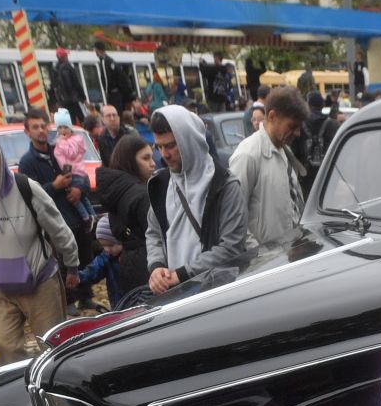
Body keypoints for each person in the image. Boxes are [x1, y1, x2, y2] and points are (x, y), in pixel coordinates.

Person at [0, 127, 81, 363]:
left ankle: (60, 392)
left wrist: (72, 264)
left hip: (39, 282)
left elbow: (58, 228)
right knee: (5, 345)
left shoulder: (26, 187)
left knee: (52, 346)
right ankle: (19, 394)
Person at [145, 106, 250, 297]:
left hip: (219, 296)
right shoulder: (161, 184)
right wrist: (157, 267)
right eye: (159, 147)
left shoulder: (225, 186)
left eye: (170, 145)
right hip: (175, 296)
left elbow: (231, 247)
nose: (164, 154)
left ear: (188, 141)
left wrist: (183, 274)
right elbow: (153, 233)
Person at [229, 86, 309, 257]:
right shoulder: (247, 155)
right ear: (272, 116)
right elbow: (233, 220)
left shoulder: (282, 149)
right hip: (268, 266)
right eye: (293, 126)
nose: (297, 133)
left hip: (290, 257)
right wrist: (261, 256)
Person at [78, 133, 155, 301]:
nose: (153, 163)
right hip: (148, 272)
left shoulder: (118, 191)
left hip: (131, 270)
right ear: (130, 161)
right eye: (146, 158)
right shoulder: (140, 195)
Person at [16, 108, 96, 268]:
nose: (41, 130)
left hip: (78, 221)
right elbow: (29, 197)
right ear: (27, 131)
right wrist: (54, 186)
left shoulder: (60, 149)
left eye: (43, 126)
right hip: (56, 229)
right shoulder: (27, 162)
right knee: (68, 277)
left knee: (87, 271)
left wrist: (79, 190)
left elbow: (83, 175)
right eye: (35, 127)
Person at [51, 48, 85, 120]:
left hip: (63, 101)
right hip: (73, 99)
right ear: (62, 57)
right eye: (65, 55)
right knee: (82, 118)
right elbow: (76, 83)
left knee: (70, 120)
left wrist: (58, 101)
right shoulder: (68, 67)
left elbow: (54, 87)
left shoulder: (55, 69)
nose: (67, 57)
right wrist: (83, 98)